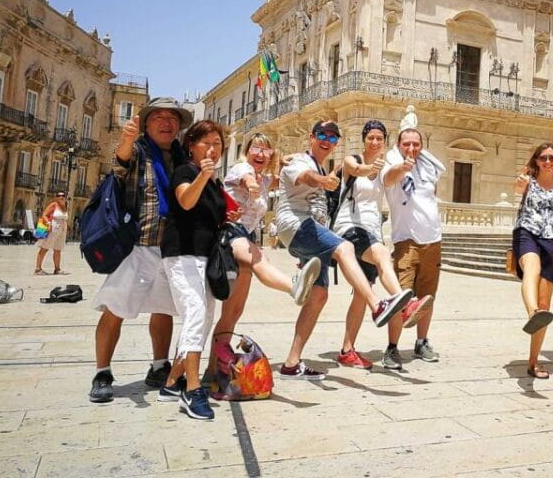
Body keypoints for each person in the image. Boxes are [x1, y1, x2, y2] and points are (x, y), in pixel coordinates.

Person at [274, 120, 413, 380]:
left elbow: (338, 174)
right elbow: (306, 177)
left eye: (333, 138)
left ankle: (291, 364)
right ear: (311, 137)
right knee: (345, 247)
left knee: (318, 296)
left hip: (315, 232)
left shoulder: (321, 164)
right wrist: (321, 180)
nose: (327, 140)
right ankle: (378, 305)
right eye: (321, 135)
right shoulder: (302, 163)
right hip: (296, 225)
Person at [89, 97, 191, 403]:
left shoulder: (181, 156)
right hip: (136, 244)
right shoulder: (138, 150)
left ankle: (159, 366)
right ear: (146, 124)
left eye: (172, 118)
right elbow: (118, 164)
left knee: (163, 309)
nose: (166, 122)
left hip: (170, 246)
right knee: (115, 309)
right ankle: (102, 372)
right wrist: (126, 139)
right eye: (158, 117)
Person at [205, 133, 321, 379]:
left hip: (246, 236)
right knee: (260, 260)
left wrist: (292, 157)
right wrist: (252, 185)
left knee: (233, 312)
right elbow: (247, 179)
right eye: (255, 148)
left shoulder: (267, 178)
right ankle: (293, 286)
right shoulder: (241, 169)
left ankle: (212, 371)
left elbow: (286, 178)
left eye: (265, 150)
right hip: (229, 233)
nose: (260, 154)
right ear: (246, 151)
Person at [334, 120, 433, 370]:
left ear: (385, 142)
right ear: (364, 139)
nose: (375, 142)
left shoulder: (384, 168)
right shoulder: (351, 159)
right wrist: (369, 167)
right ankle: (402, 301)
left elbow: (390, 178)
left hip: (371, 229)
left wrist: (403, 166)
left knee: (360, 292)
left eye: (380, 138)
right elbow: (355, 170)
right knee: (382, 256)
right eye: (371, 138)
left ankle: (347, 350)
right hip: (349, 227)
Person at [157, 120, 231, 420]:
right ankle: (192, 388)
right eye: (206, 143)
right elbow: (186, 201)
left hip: (206, 257)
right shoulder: (186, 171)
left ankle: (173, 381)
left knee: (204, 317)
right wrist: (203, 174)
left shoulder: (215, 182)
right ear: (191, 145)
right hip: (182, 254)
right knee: (196, 314)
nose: (212, 149)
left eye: (218, 144)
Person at [512, 143, 553, 379]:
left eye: (552, 158)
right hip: (527, 233)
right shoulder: (527, 180)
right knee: (532, 266)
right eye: (543, 158)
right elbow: (518, 188)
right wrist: (520, 185)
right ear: (536, 160)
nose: (547, 162)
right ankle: (532, 314)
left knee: (545, 305)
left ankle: (533, 361)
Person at [381, 128, 446, 366]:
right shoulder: (392, 162)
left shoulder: (427, 167)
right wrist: (402, 168)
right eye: (406, 144)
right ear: (398, 144)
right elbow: (387, 179)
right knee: (401, 296)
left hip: (433, 239)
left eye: (416, 144)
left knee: (427, 296)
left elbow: (429, 197)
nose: (411, 148)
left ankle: (421, 343)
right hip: (405, 240)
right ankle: (392, 348)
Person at [34, 192, 69, 274]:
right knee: (45, 247)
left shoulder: (64, 206)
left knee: (58, 249)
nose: (61, 197)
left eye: (63, 196)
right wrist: (48, 224)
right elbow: (44, 215)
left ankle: (57, 269)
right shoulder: (54, 205)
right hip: (53, 228)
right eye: (59, 196)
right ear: (56, 197)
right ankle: (38, 268)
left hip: (62, 230)